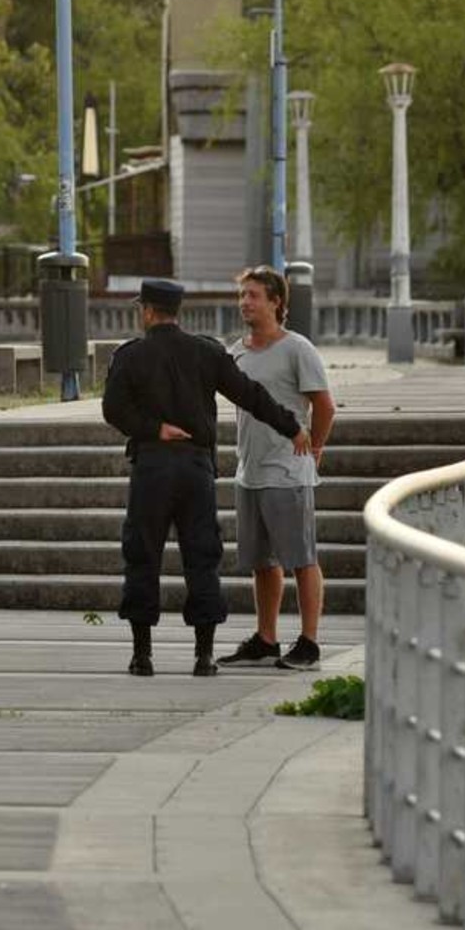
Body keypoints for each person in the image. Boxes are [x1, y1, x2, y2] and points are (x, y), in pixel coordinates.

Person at [102, 278, 311, 677]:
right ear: (176, 311)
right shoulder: (207, 352)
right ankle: (204, 656)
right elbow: (250, 395)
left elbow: (113, 409)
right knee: (202, 556)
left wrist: (154, 429)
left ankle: (142, 655)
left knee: (142, 556)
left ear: (148, 311)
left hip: (152, 468)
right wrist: (291, 427)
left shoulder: (131, 355)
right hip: (196, 469)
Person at [217, 266, 336, 671]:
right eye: (242, 295)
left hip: (287, 471)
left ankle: (309, 643)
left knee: (301, 558)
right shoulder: (236, 352)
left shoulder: (297, 349)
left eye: (253, 295)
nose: (244, 303)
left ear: (276, 302)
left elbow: (324, 406)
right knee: (262, 563)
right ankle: (266, 639)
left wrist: (315, 448)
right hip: (249, 471)